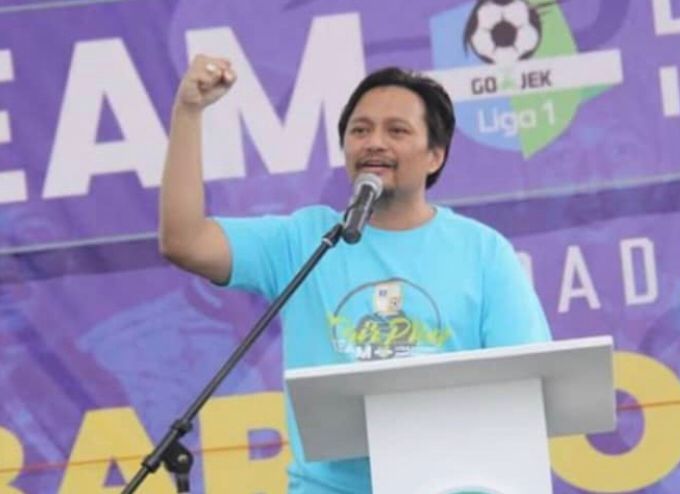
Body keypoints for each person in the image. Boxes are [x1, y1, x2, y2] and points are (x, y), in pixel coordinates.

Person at [159, 55, 552, 493]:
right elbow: (185, 241)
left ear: (435, 156)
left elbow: (526, 387)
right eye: (360, 130)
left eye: (397, 131)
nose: (374, 143)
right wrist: (189, 111)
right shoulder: (305, 239)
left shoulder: (483, 251)